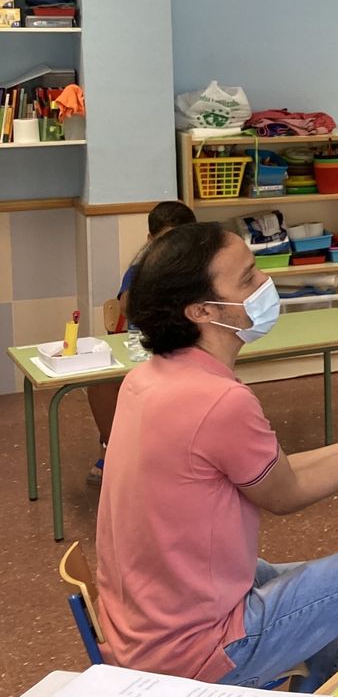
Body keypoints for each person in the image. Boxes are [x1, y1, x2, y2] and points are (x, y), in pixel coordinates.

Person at [97, 222, 338, 689]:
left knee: (326, 582)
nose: (265, 285)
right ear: (200, 310)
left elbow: (278, 471)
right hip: (195, 654)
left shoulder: (145, 380)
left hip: (144, 631)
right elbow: (287, 493)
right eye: (247, 279)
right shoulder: (219, 401)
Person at [87, 200, 198, 485]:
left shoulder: (200, 272)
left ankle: (194, 449)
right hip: (142, 349)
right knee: (101, 383)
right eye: (165, 242)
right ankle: (113, 451)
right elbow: (127, 308)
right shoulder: (139, 272)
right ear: (150, 241)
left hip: (186, 350)